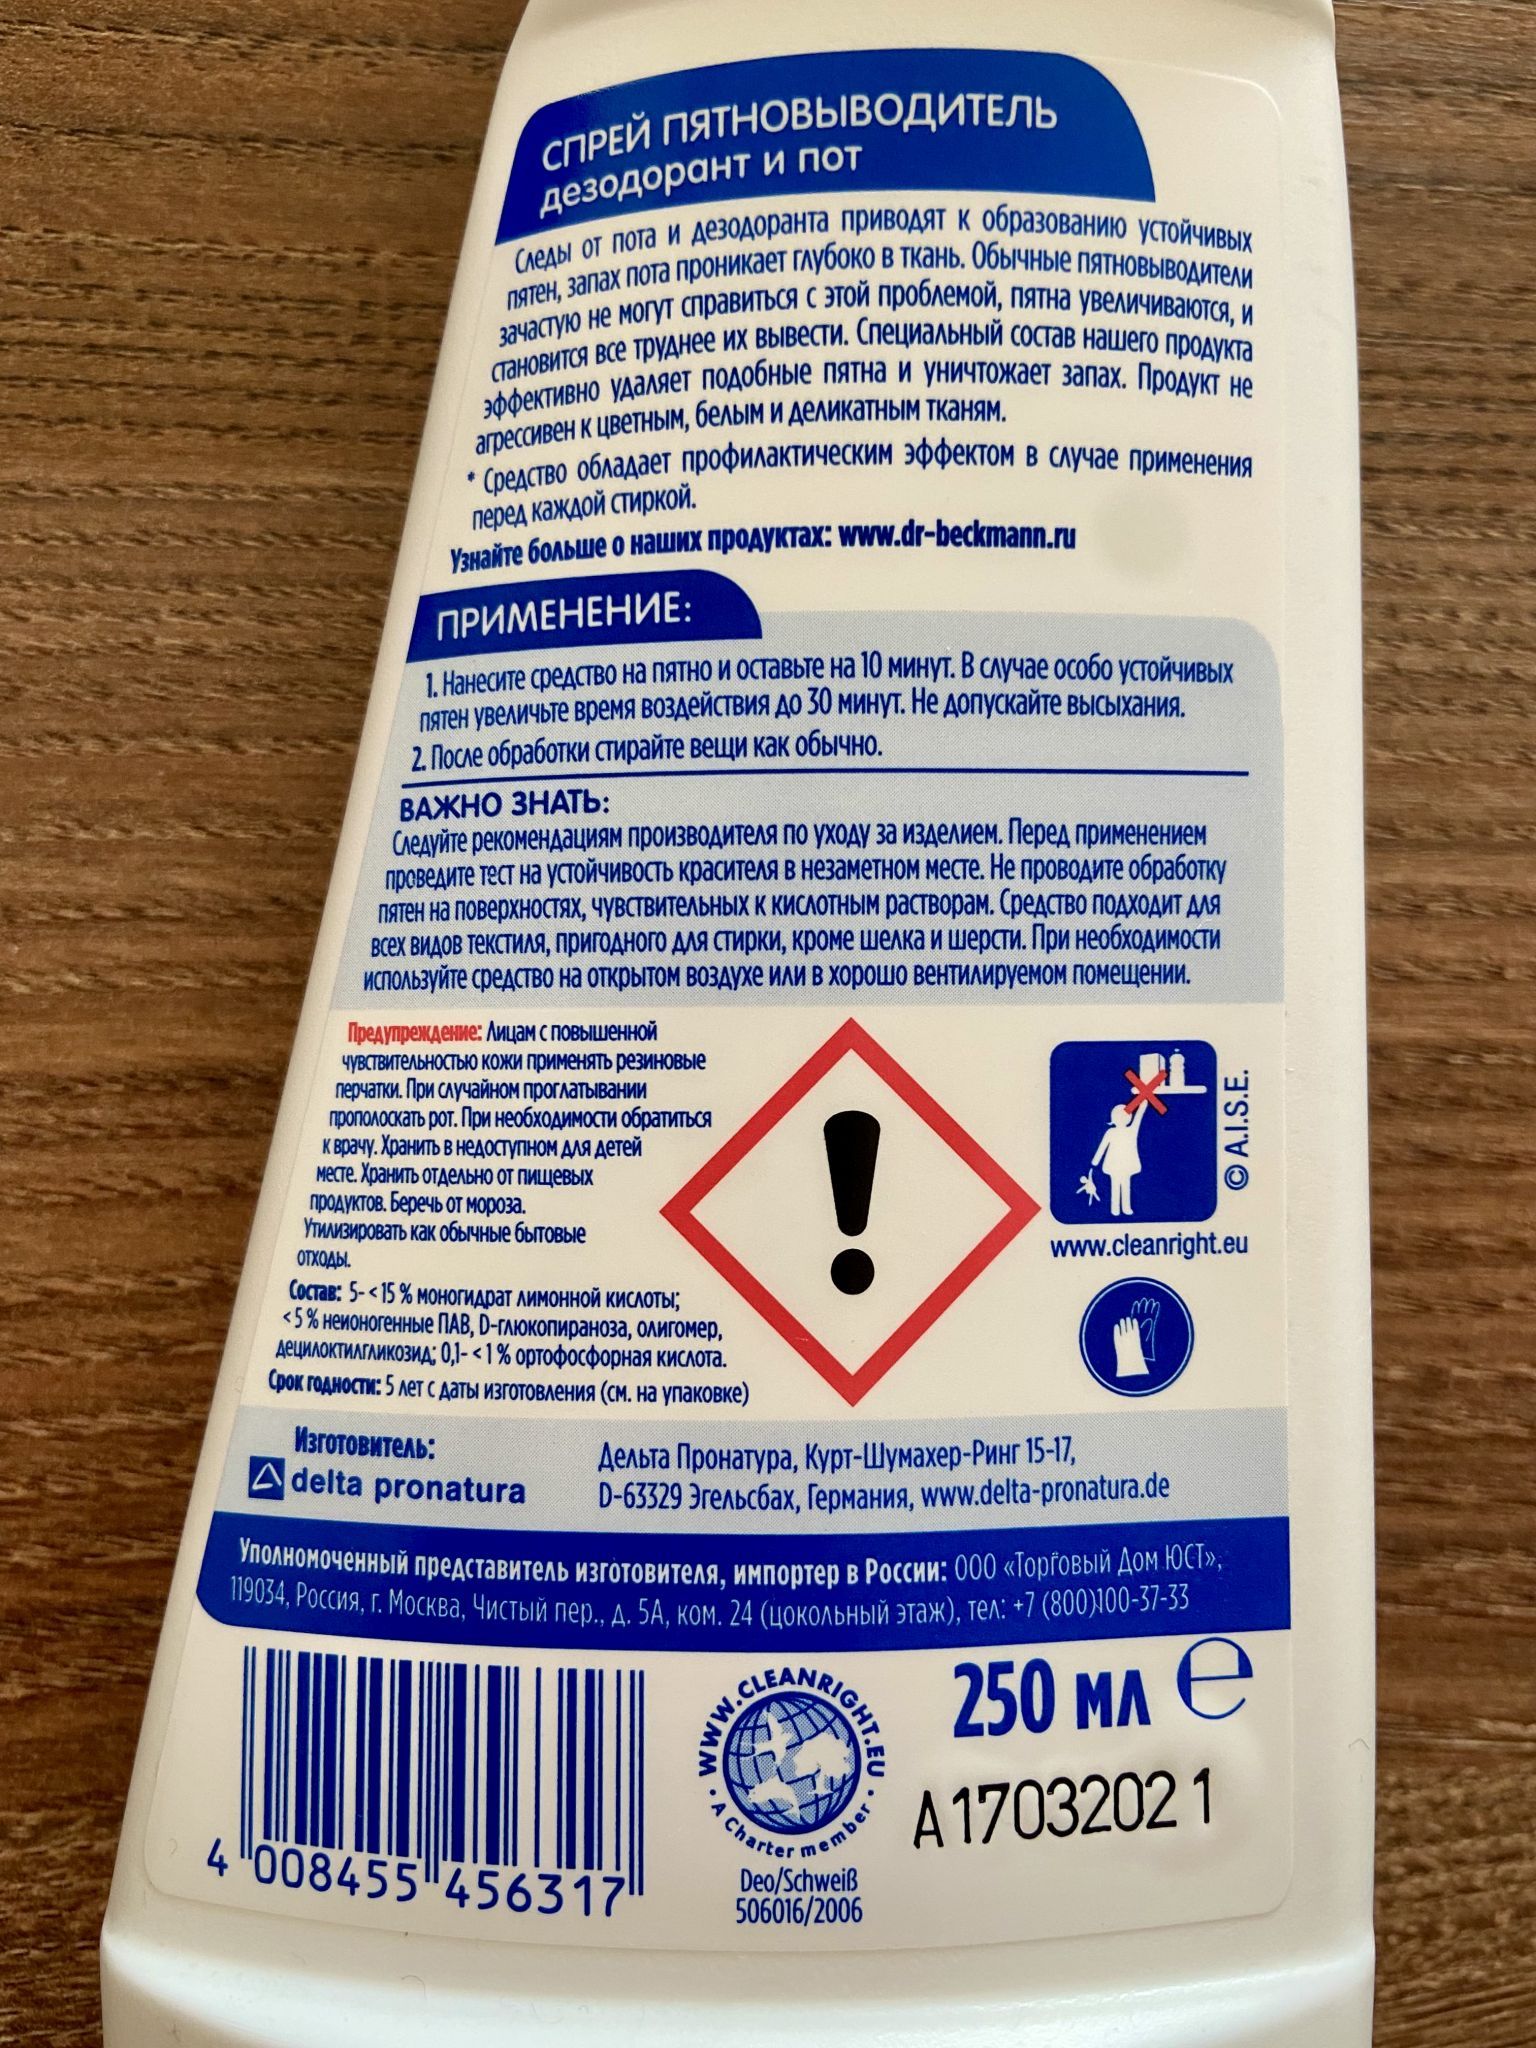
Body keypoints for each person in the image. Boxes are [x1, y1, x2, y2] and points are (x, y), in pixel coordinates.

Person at [1090, 1098, 1148, 1218]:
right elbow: (1102, 1147)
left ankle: (1125, 1208)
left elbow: (1139, 1117)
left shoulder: (1131, 1130)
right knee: (1116, 1186)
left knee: (1125, 1185)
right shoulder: (1111, 1132)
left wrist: (1143, 1102)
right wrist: (1095, 1161)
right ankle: (1115, 1209)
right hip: (1114, 1165)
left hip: (1126, 1165)